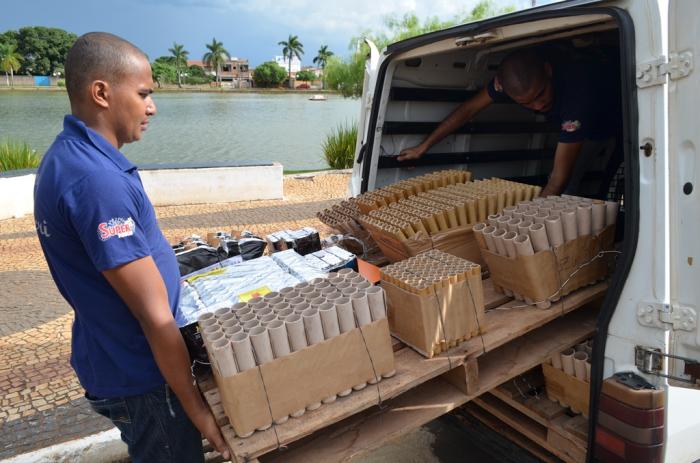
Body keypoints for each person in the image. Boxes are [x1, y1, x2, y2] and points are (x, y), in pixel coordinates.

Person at [33, 32, 230, 463]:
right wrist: (197, 410)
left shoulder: (68, 155)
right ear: (101, 93)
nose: (152, 107)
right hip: (144, 377)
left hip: (112, 353)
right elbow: (154, 316)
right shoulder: (97, 182)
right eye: (143, 94)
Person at [398, 48, 622, 198]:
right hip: (575, 122)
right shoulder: (504, 84)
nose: (537, 105)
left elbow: (557, 180)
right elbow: (469, 110)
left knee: (586, 182)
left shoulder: (577, 95)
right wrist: (423, 147)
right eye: (527, 103)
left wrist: (526, 224)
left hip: (614, 119)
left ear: (548, 71)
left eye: (540, 94)